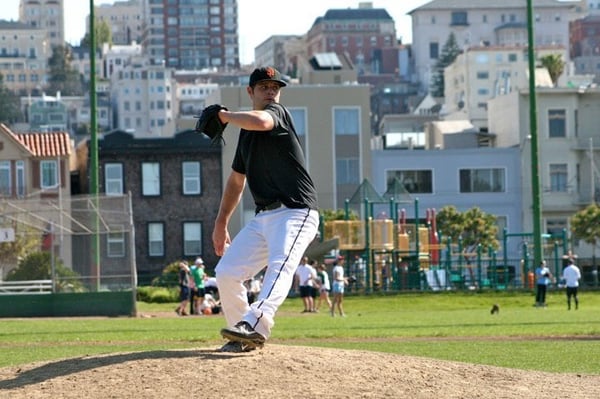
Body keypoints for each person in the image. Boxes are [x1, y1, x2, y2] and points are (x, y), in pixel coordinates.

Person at [211, 66, 319, 353]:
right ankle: (241, 335)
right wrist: (221, 222)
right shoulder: (246, 135)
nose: (271, 92)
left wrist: (224, 116)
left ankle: (256, 323)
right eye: (264, 87)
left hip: (297, 211)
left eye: (275, 87)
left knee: (280, 264)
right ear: (250, 91)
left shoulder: (277, 114)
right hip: (264, 217)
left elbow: (262, 121)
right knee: (227, 272)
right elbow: (236, 181)